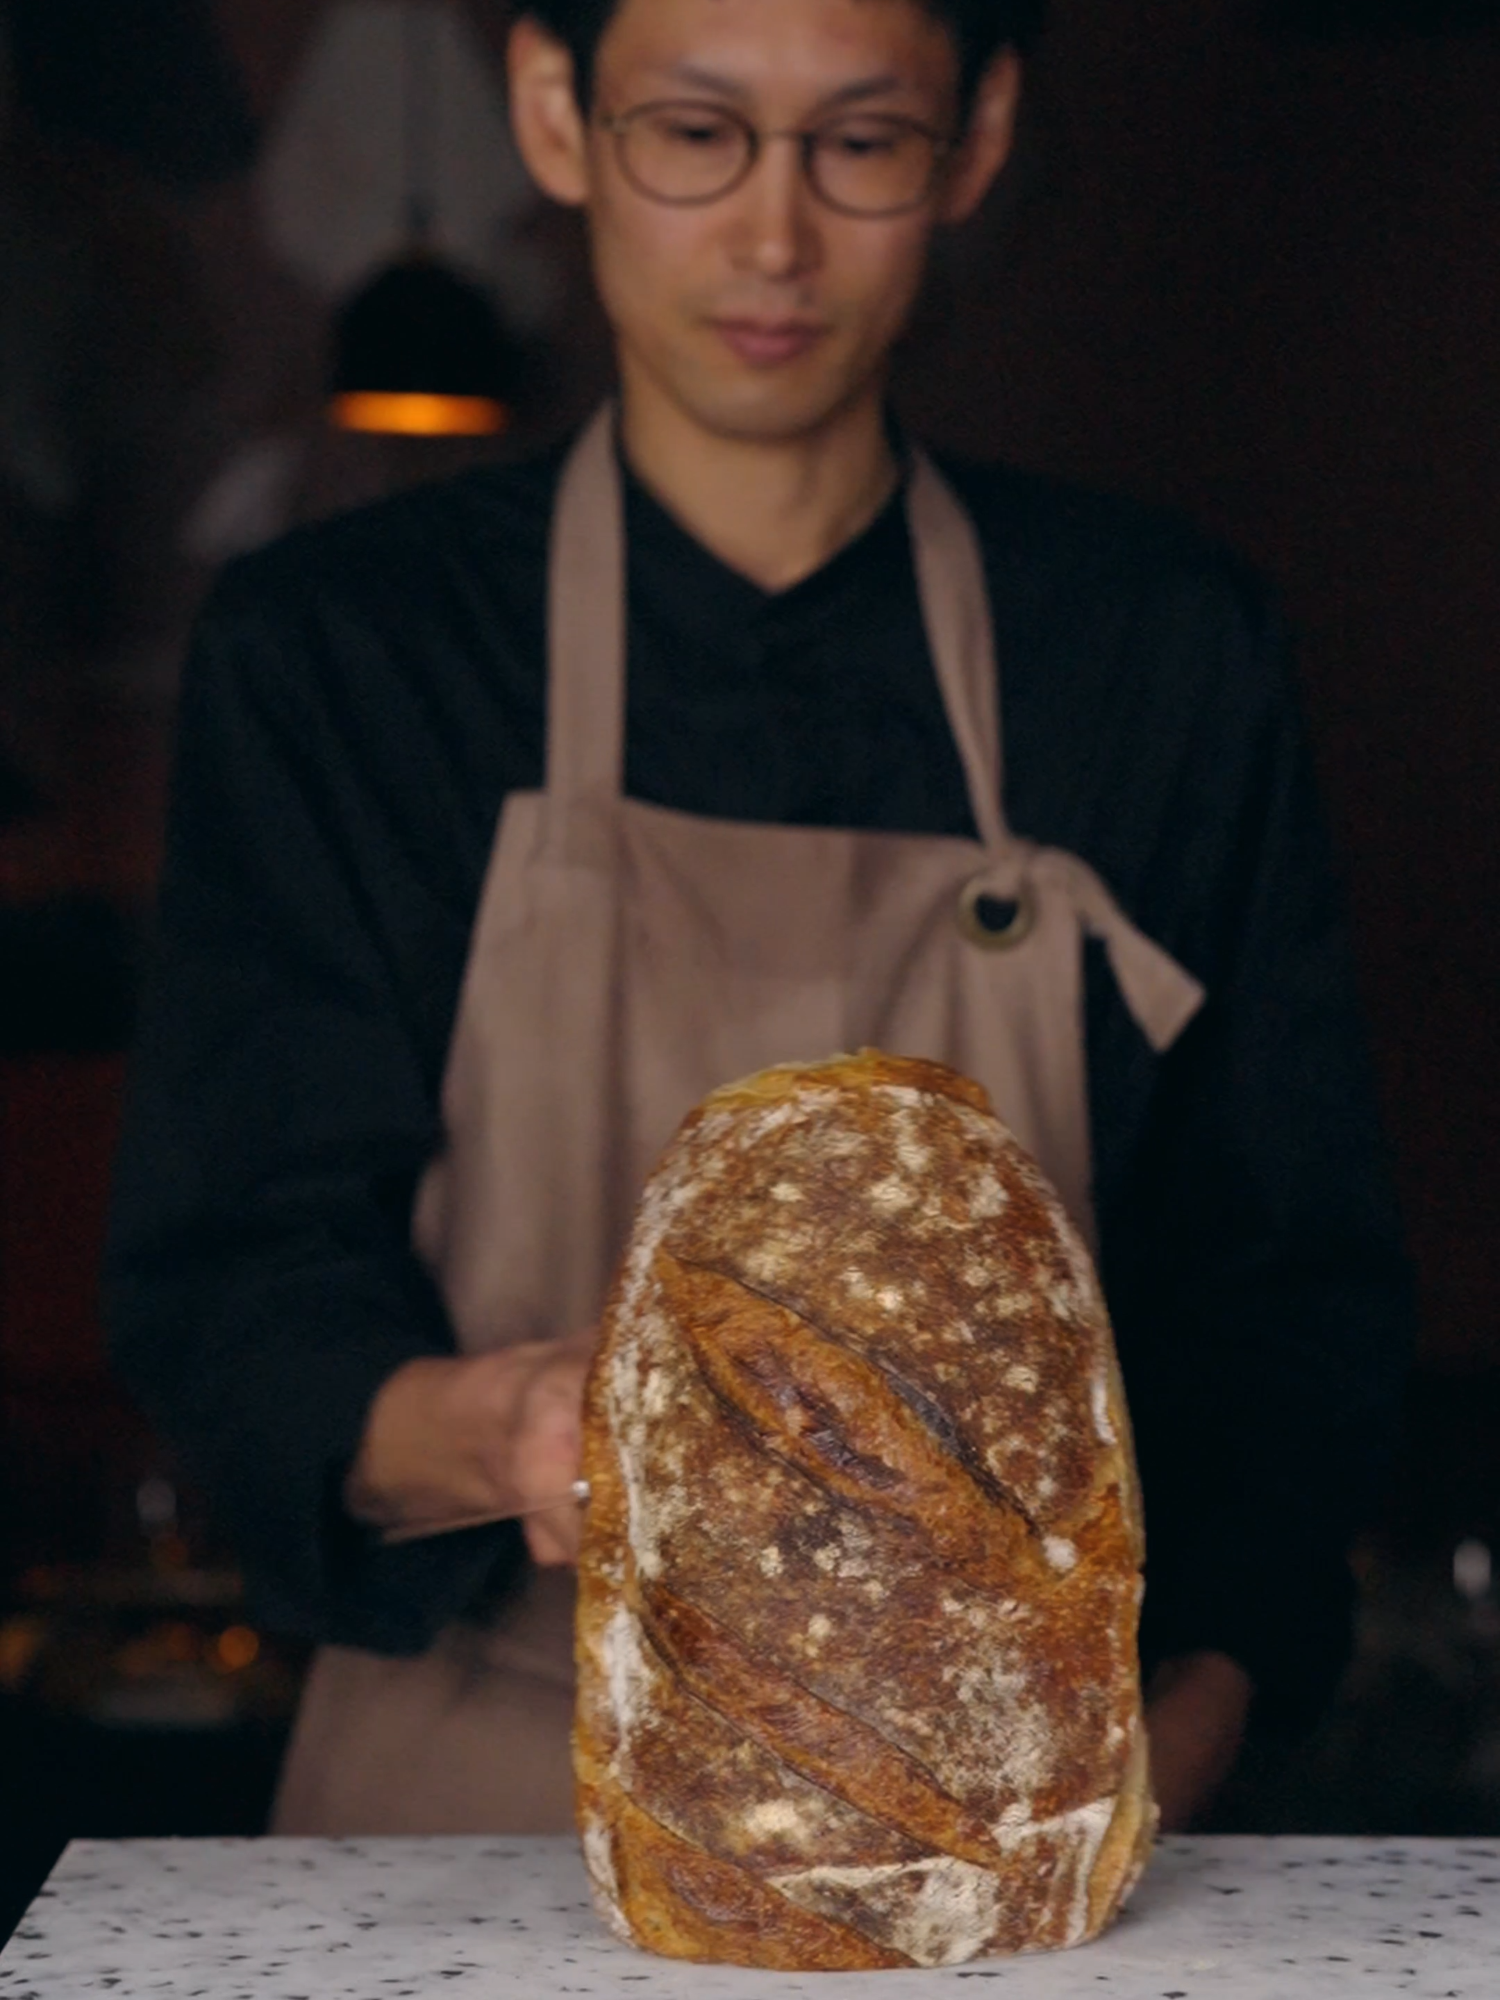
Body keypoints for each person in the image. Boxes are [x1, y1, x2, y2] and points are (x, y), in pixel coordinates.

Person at [107, 0, 1411, 1841]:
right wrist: (511, 1429)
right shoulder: (346, 655)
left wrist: (1171, 1743)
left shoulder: (1155, 655)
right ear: (557, 116)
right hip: (482, 1795)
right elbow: (235, 1290)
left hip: (1017, 1817)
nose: (774, 237)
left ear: (974, 139)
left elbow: (1296, 1316)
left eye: (859, 143)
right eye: (696, 134)